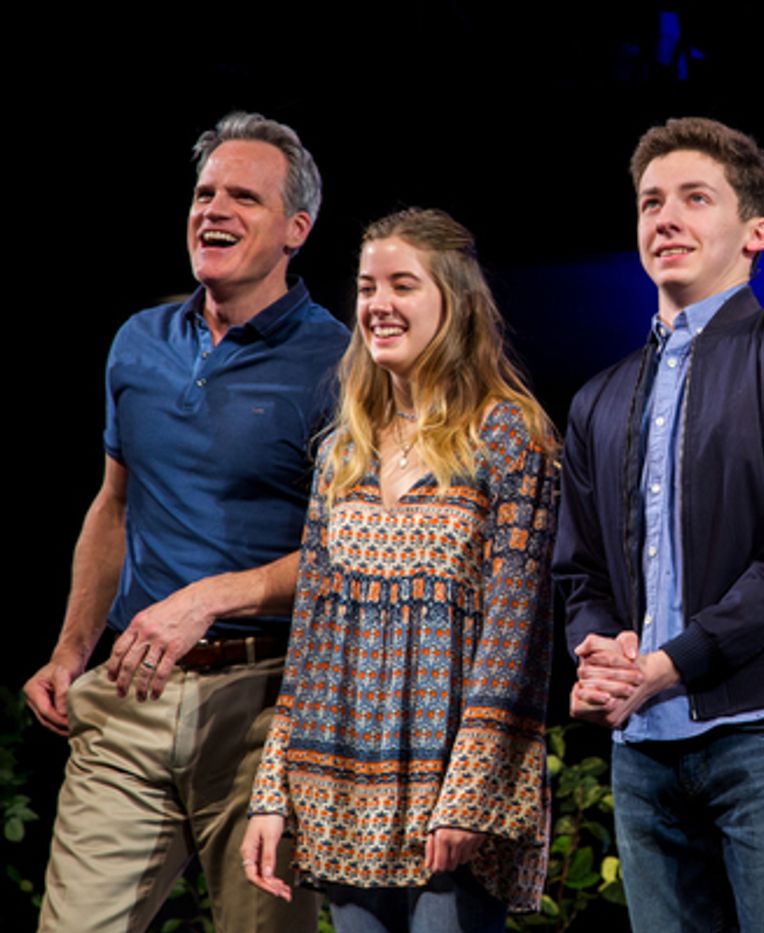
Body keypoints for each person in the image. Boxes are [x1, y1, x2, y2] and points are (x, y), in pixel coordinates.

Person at [23, 112, 347, 933]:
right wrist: (71, 650)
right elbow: (115, 506)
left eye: (245, 196)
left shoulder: (340, 362)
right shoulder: (139, 342)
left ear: (296, 230)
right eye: (205, 193)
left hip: (267, 706)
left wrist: (209, 596)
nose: (215, 210)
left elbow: (352, 557)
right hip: (131, 693)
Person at [553, 116, 764, 933]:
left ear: (757, 231)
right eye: (651, 201)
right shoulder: (598, 398)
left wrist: (668, 664)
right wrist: (600, 650)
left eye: (696, 198)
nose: (666, 218)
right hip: (643, 750)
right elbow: (578, 570)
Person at [239, 208, 557, 932]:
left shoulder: (509, 435)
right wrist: (272, 792)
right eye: (366, 286)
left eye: (402, 284)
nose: (378, 304)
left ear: (456, 302)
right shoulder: (341, 452)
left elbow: (516, 633)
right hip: (339, 786)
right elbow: (312, 639)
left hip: (450, 790)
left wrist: (471, 791)